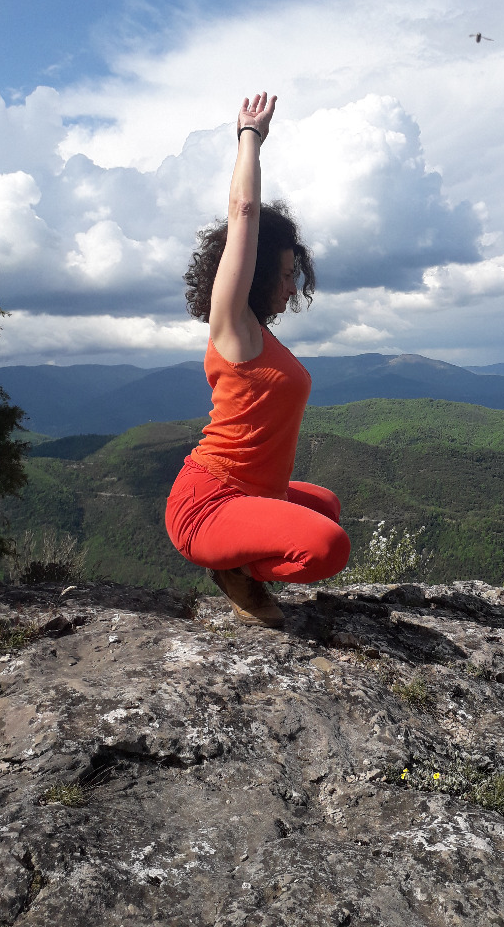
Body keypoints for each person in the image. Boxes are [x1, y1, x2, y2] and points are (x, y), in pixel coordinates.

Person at [165, 92, 351, 628]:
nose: (292, 286)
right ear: (257, 270)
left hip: (252, 493)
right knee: (328, 547)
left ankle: (243, 554)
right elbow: (244, 214)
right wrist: (251, 138)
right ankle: (234, 568)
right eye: (286, 274)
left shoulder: (262, 339)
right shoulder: (234, 328)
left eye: (297, 275)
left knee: (326, 508)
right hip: (209, 500)